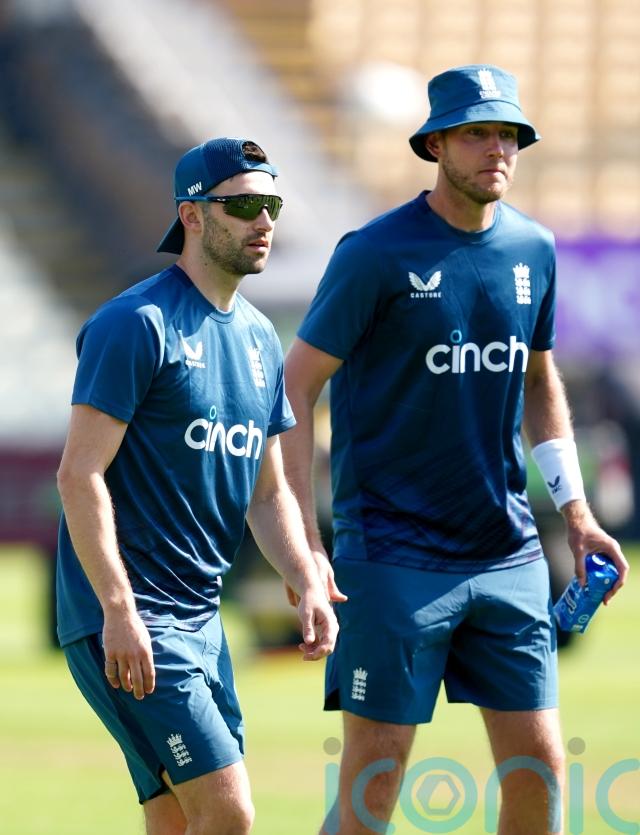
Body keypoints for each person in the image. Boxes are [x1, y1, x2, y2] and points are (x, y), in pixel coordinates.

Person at [281, 65, 629, 835]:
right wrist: (306, 541)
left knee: (541, 768)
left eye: (508, 135)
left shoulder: (534, 249)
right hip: (392, 554)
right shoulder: (374, 252)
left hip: (507, 552)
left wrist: (577, 513)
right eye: (477, 133)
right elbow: (295, 387)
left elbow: (538, 381)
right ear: (436, 143)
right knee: (375, 783)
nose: (496, 149)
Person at [56, 137, 338, 835]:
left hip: (201, 620)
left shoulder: (260, 339)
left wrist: (304, 574)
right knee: (228, 811)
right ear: (191, 215)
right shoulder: (134, 324)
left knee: (178, 821)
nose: (263, 220)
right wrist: (119, 609)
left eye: (270, 204)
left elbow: (267, 493)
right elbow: (78, 473)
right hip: (130, 618)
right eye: (243, 205)